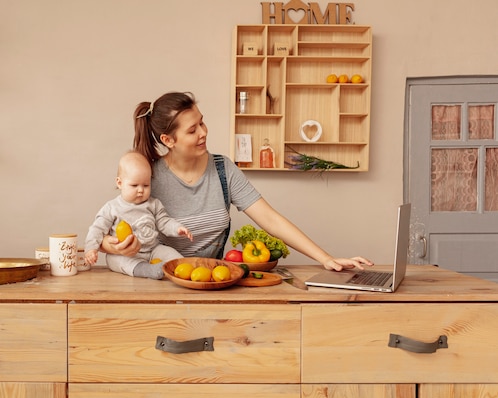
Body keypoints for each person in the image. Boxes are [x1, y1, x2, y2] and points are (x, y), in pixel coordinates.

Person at [101, 91, 372, 272]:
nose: (204, 133)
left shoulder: (222, 169)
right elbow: (111, 224)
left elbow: (270, 219)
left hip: (212, 281)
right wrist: (107, 244)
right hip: (161, 284)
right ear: (168, 140)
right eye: (192, 130)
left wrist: (326, 258)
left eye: (202, 123)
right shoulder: (150, 178)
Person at [85, 150, 193, 279]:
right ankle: (147, 270)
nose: (141, 190)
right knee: (115, 260)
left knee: (170, 253)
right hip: (125, 255)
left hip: (152, 249)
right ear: (120, 183)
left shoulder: (153, 204)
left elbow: (164, 221)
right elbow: (97, 229)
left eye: (146, 185)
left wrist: (177, 228)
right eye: (134, 185)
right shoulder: (112, 208)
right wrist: (91, 249)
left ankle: (184, 267)